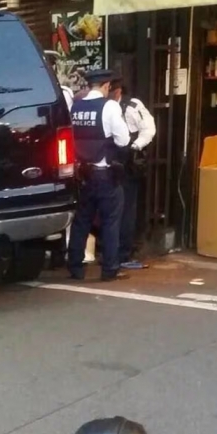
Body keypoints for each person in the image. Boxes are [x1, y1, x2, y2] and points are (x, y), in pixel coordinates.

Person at [68, 69, 131, 282]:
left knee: (81, 221)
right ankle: (110, 269)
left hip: (83, 173)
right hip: (105, 174)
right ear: (106, 86)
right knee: (111, 221)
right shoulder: (109, 106)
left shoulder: (75, 106)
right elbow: (123, 140)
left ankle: (75, 267)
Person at [109, 79, 156, 270]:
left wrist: (135, 147)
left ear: (118, 90)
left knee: (127, 208)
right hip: (109, 163)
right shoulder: (106, 106)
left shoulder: (132, 105)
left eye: (110, 89)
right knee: (113, 209)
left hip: (127, 163)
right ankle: (112, 252)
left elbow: (149, 129)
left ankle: (122, 253)